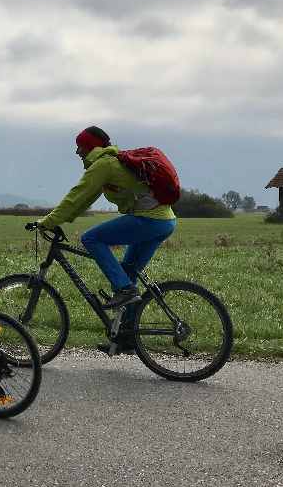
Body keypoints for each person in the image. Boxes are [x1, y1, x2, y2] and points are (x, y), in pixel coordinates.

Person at [29, 126, 177, 354]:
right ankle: (126, 337)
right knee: (127, 273)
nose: (77, 152)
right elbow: (83, 200)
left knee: (91, 238)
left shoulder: (103, 165)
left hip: (149, 220)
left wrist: (47, 222)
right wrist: (61, 217)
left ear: (90, 147)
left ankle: (125, 290)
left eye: (80, 146)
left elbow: (76, 197)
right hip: (165, 221)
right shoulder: (111, 162)